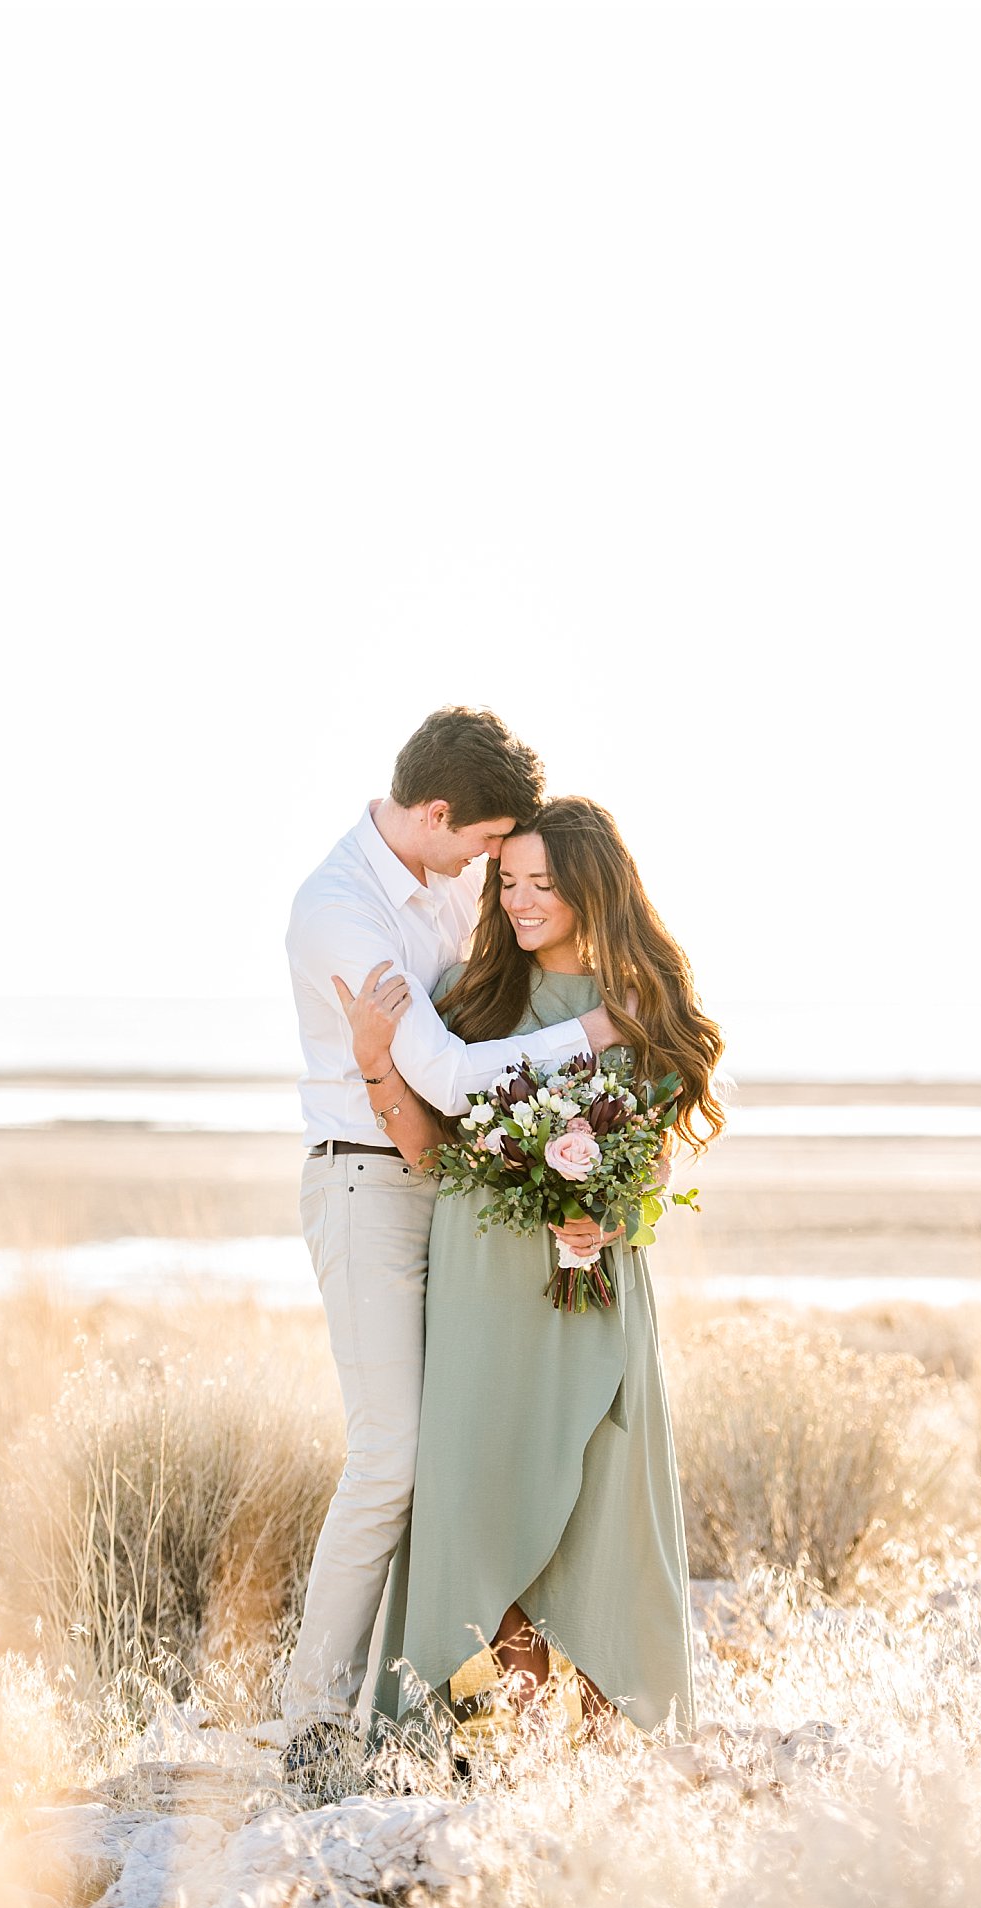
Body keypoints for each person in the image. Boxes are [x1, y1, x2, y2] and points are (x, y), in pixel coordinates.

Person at [281, 712, 628, 1789]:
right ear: (437, 814)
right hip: (365, 1182)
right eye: (484, 842)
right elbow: (455, 1075)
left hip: (450, 1192)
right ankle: (305, 1717)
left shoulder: (440, 885)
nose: (495, 867)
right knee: (390, 1451)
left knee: (456, 1456)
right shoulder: (343, 910)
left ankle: (443, 1698)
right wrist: (594, 1032)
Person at [343, 795, 725, 1755]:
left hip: (591, 1298)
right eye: (506, 881)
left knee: (604, 1519)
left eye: (541, 884)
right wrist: (377, 1069)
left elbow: (655, 1172)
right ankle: (491, 1756)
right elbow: (430, 1154)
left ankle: (611, 1769)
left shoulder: (642, 1007)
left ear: (592, 886)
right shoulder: (473, 998)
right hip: (479, 1296)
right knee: (481, 1512)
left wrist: (611, 1210)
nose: (518, 901)